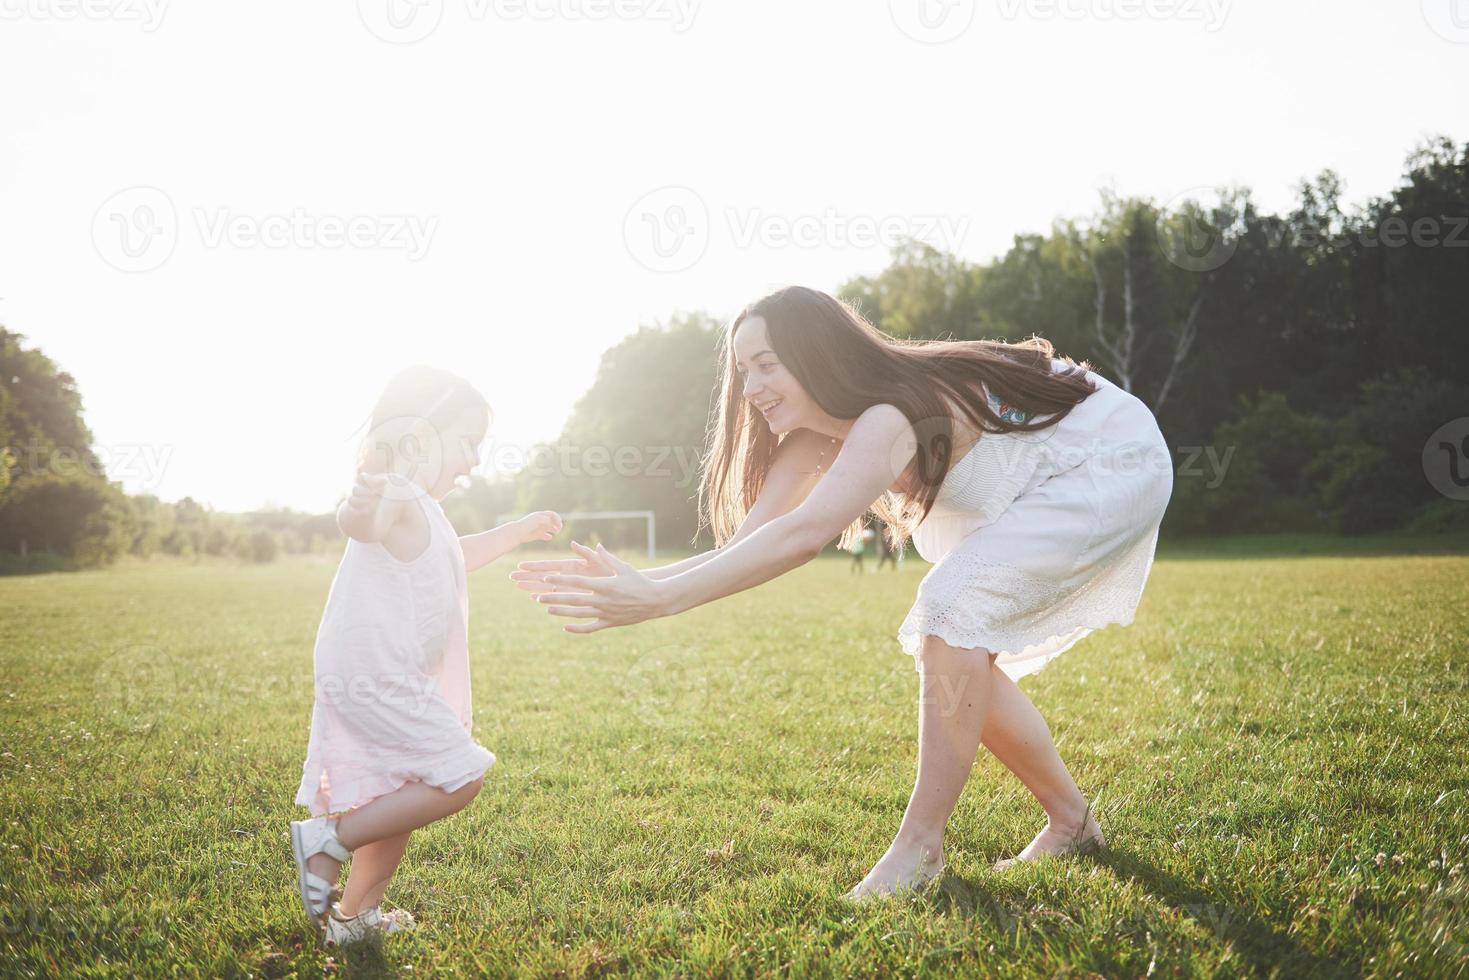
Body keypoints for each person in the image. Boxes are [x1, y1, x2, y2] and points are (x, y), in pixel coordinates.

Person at [513, 286, 1172, 899]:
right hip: (1034, 477)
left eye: (766, 364)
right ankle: (1070, 823)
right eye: (743, 371)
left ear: (815, 355)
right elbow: (755, 541)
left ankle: (920, 846)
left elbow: (804, 537)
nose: (751, 388)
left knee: (951, 611)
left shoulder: (888, 412)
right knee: (953, 633)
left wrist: (660, 602)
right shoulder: (814, 434)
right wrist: (642, 583)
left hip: (1109, 460)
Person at [289, 366, 561, 943]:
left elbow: (455, 556)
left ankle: (356, 919)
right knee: (460, 774)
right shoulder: (396, 488)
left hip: (384, 669)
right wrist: (360, 503)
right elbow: (362, 522)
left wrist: (515, 530)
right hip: (376, 672)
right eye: (467, 442)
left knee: (398, 789)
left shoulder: (427, 510)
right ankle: (328, 840)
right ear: (420, 438)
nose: (475, 460)